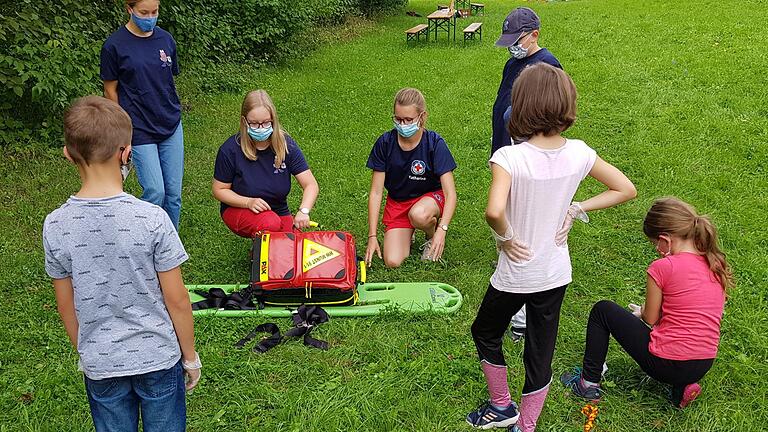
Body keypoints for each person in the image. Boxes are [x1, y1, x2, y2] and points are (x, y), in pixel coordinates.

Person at [467, 64, 636, 431]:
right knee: (540, 353)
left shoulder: (509, 158)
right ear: (566, 105)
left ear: (522, 105)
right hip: (555, 272)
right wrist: (577, 208)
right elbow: (626, 188)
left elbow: (494, 211)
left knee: (484, 332)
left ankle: (501, 406)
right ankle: (526, 426)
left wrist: (506, 238)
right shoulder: (579, 153)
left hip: (516, 272)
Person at [43, 96, 201, 432]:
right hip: (159, 357)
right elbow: (177, 299)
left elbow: (65, 305)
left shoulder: (55, 224)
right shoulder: (153, 218)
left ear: (68, 154)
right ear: (126, 153)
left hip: (101, 363)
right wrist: (190, 356)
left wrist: (87, 352)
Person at [561, 197, 732, 409]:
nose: (656, 249)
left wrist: (642, 312)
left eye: (654, 244)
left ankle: (588, 384)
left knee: (602, 310)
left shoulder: (663, 266)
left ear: (665, 239)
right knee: (686, 343)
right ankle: (683, 387)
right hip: (703, 364)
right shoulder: (714, 265)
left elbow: (652, 318)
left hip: (667, 364)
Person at [491, 7, 563, 342]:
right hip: (507, 154)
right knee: (506, 213)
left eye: (517, 39)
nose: (512, 47)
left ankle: (520, 313)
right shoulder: (513, 63)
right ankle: (507, 256)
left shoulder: (546, 65)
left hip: (528, 161)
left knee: (521, 224)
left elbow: (551, 116)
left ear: (535, 33)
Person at [101, 0, 185, 230]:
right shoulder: (114, 46)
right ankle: (140, 236)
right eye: (144, 12)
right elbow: (110, 90)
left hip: (170, 124)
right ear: (129, 9)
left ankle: (169, 244)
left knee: (173, 195)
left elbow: (168, 80)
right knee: (155, 191)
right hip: (138, 128)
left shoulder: (166, 40)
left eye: (155, 12)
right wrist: (122, 131)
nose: (150, 17)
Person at [365, 88, 457, 267]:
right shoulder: (385, 143)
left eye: (408, 120)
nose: (402, 124)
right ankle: (409, 229)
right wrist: (372, 236)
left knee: (419, 215)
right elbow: (376, 193)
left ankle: (430, 233)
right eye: (398, 119)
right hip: (398, 202)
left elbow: (451, 193)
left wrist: (442, 230)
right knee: (392, 261)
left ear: (422, 117)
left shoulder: (434, 143)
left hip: (430, 198)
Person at [213, 90, 319, 238]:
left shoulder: (286, 145)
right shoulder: (230, 149)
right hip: (239, 208)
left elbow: (311, 185)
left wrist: (304, 211)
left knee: (293, 242)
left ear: (273, 120)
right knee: (270, 224)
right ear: (244, 121)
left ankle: (266, 249)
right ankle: (258, 255)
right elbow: (219, 190)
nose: (261, 128)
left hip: (278, 210)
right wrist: (248, 202)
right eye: (254, 124)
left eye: (266, 123)